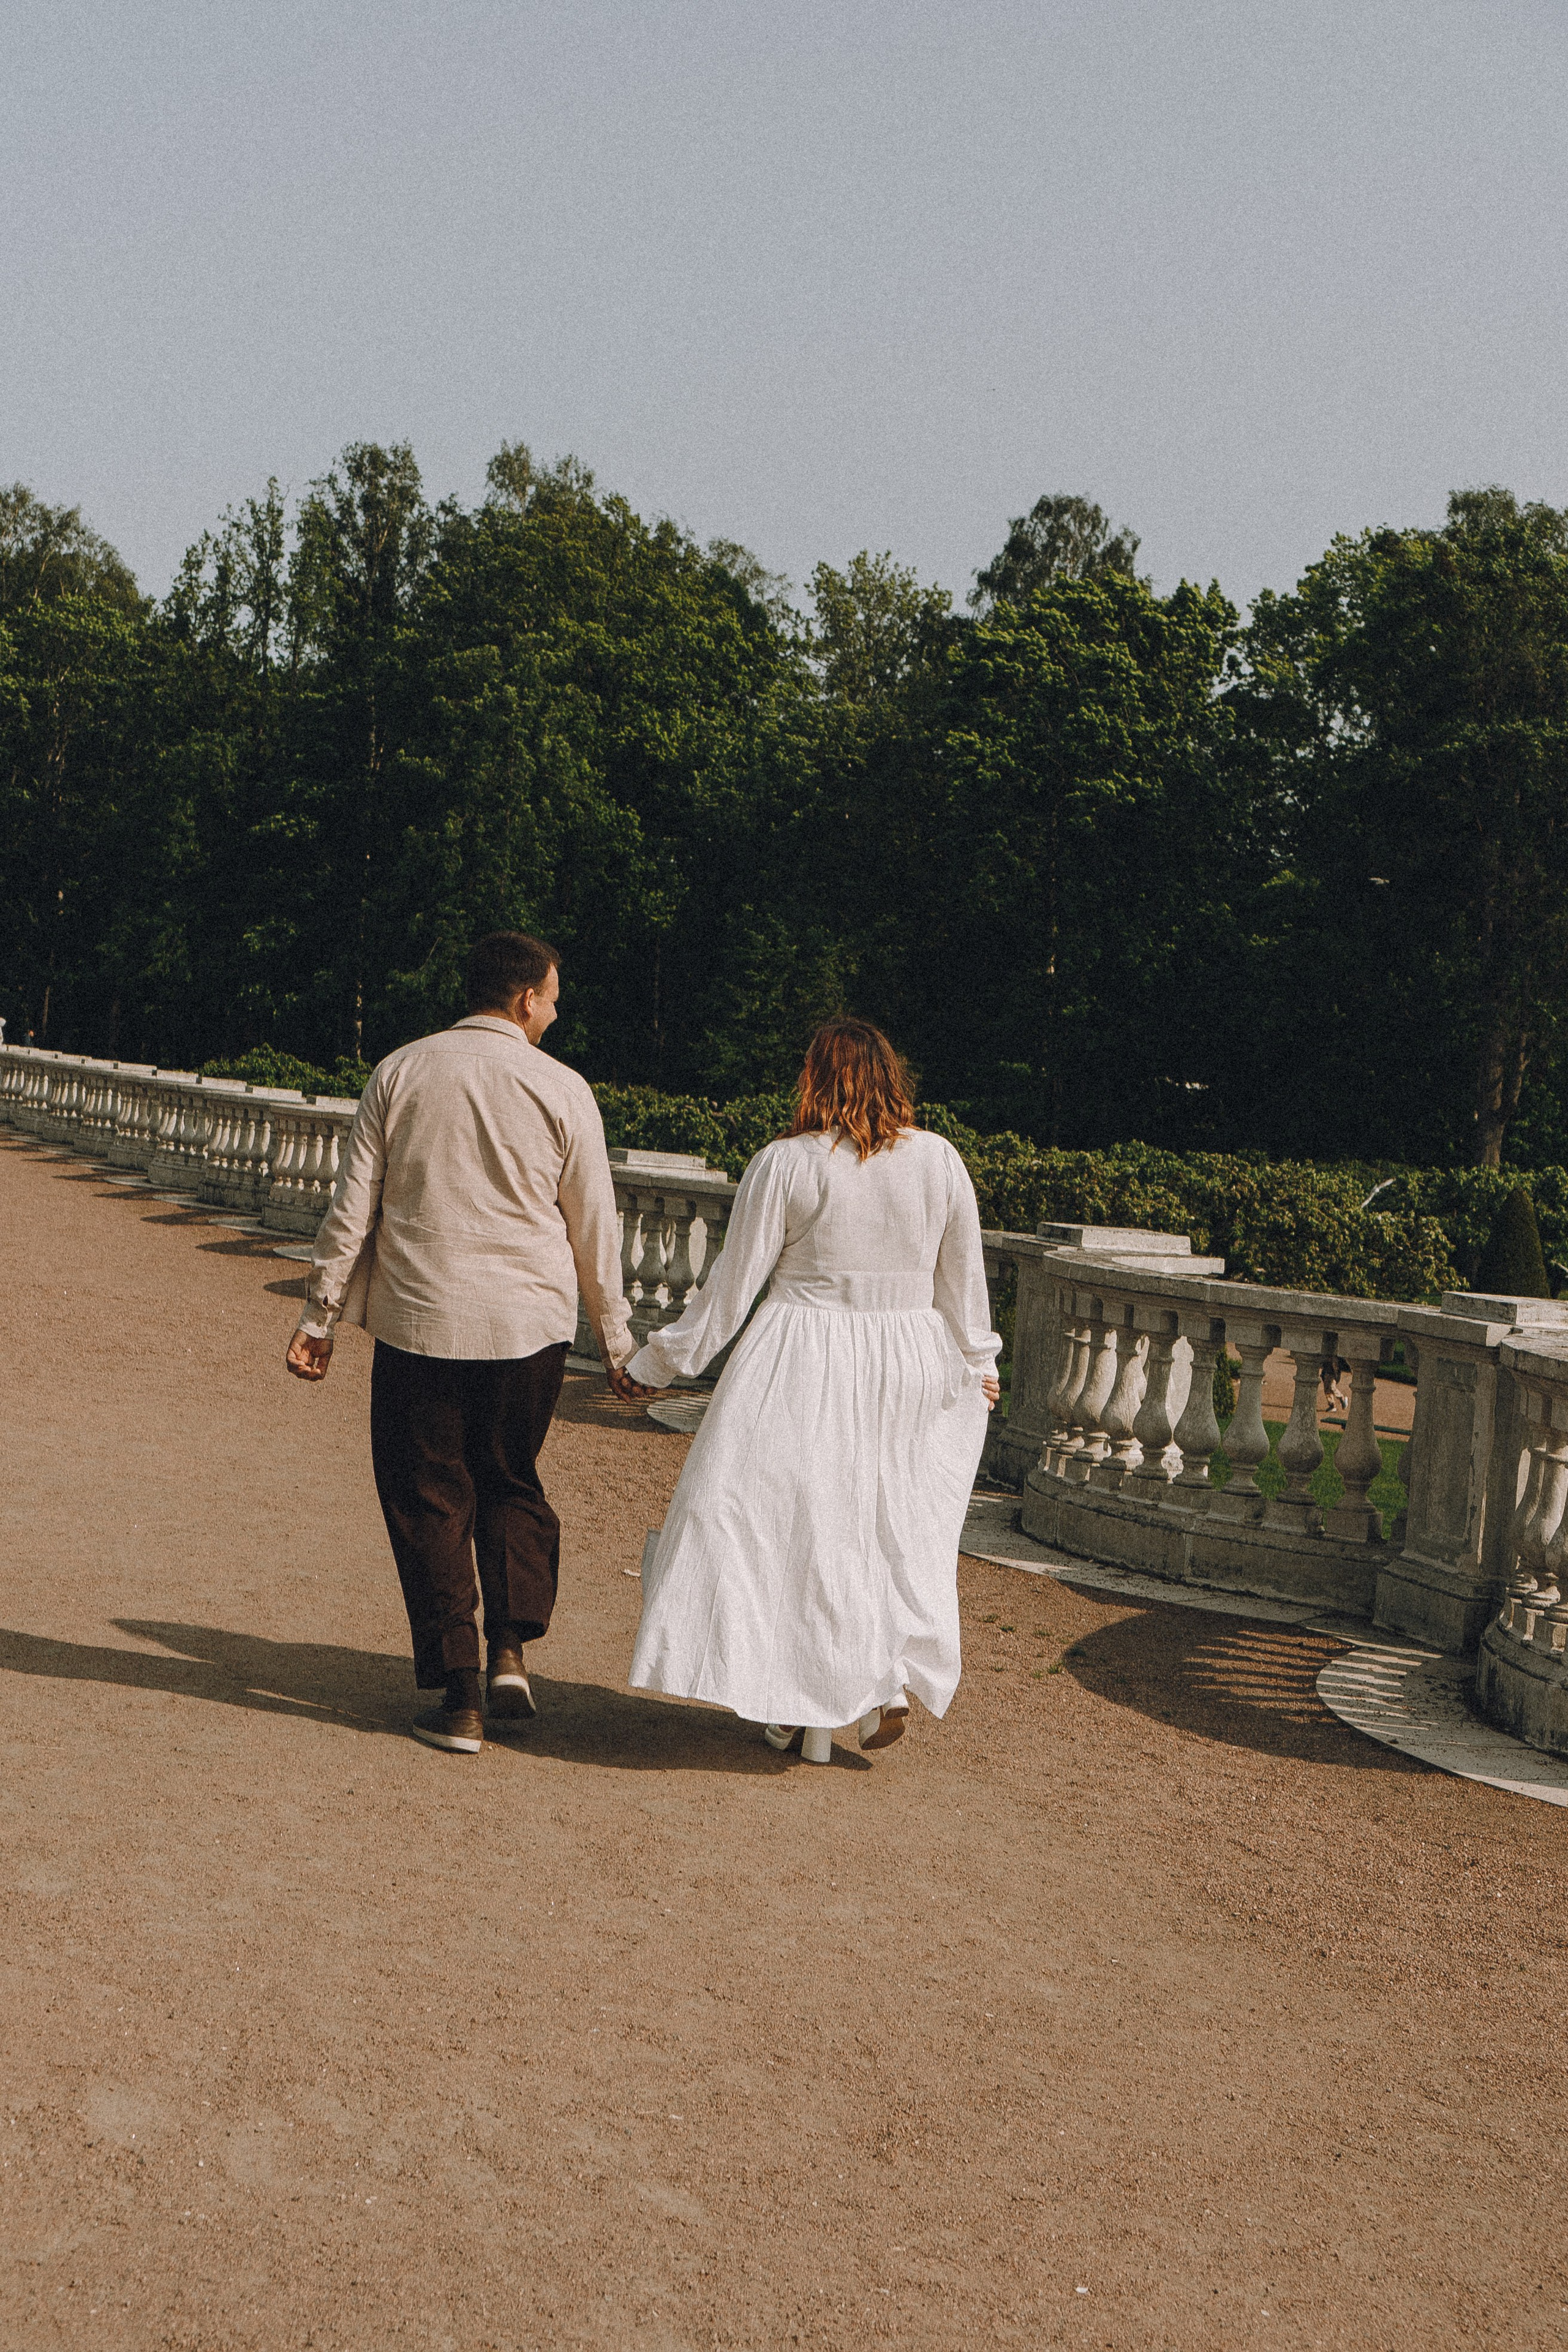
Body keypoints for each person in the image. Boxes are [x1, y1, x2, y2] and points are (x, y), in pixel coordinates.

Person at [284, 932, 651, 1755]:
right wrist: (618, 1342)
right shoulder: (563, 1088)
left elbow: (353, 1209)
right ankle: (512, 1652)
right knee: (510, 1478)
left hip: (423, 1320)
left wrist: (320, 1317)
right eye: (552, 998)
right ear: (525, 999)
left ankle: (458, 1694)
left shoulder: (401, 1071)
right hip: (530, 1327)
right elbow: (594, 1224)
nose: (555, 1013)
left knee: (429, 1495)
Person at [622, 1017, 1001, 1763]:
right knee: (886, 1527)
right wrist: (976, 1360)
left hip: (804, 1354)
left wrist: (656, 1365)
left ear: (813, 1078)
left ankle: (804, 1700)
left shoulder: (786, 1164)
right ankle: (867, 1689)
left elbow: (731, 1291)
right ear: (892, 1076)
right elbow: (962, 1277)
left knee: (778, 1526)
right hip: (909, 1358)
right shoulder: (939, 1160)